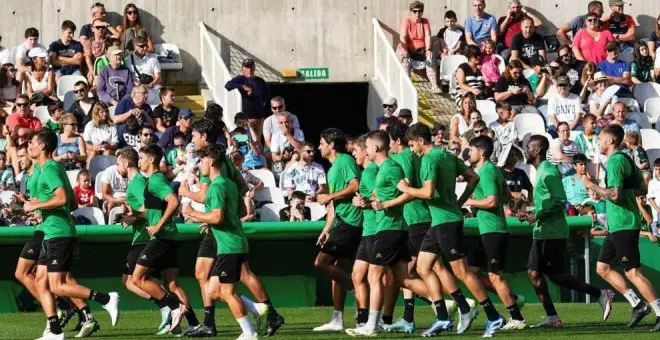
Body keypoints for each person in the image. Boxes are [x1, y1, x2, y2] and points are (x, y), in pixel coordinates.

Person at [399, 123, 505, 337]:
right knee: (423, 267)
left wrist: (405, 188)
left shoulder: (429, 159)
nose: (411, 149)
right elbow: (473, 177)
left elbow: (428, 192)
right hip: (439, 221)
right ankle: (444, 317)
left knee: (462, 272)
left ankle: (494, 317)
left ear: (420, 141)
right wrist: (461, 201)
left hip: (446, 222)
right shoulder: (446, 155)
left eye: (412, 145)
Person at [24, 130, 120, 339]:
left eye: (32, 142)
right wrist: (38, 210)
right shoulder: (49, 168)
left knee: (57, 285)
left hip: (59, 233)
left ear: (42, 146)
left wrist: (37, 205)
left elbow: (61, 199)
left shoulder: (49, 168)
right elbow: (73, 203)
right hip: (51, 232)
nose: (29, 146)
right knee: (41, 282)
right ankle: (55, 331)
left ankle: (105, 299)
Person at [517, 134, 613, 328]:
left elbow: (560, 199)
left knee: (542, 274)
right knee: (544, 274)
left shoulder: (547, 171)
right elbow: (549, 201)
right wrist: (531, 213)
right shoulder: (541, 171)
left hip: (552, 232)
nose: (525, 150)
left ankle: (600, 294)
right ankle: (554, 316)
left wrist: (538, 214)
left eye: (528, 147)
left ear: (538, 150)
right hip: (544, 231)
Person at [345, 130, 431, 337]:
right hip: (391, 227)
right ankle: (450, 303)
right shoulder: (384, 168)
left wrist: (386, 204)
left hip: (390, 229)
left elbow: (408, 192)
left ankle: (371, 325)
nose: (365, 151)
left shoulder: (390, 167)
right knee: (404, 279)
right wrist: (369, 201)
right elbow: (381, 195)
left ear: (375, 148)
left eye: (366, 147)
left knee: (374, 275)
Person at [580, 124, 660, 331]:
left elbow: (615, 194)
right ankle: (638, 304)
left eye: (600, 139)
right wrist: (603, 191)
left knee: (633, 272)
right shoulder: (623, 159)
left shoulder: (616, 161)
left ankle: (659, 311)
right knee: (603, 268)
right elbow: (641, 187)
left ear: (610, 141)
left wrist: (592, 186)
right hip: (618, 224)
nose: (598, 142)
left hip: (624, 224)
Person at [182, 144, 263, 340]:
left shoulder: (217, 186)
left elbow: (217, 216)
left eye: (201, 161)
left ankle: (249, 332)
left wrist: (194, 213)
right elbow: (237, 213)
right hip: (234, 242)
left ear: (210, 161)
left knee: (226, 293)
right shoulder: (228, 183)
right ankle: (255, 308)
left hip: (229, 246)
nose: (199, 165)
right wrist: (210, 222)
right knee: (212, 289)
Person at [464, 135, 526, 330]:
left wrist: (469, 201)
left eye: (472, 149)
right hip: (488, 230)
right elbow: (508, 196)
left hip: (494, 231)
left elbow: (492, 201)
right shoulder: (492, 170)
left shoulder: (487, 171)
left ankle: (517, 318)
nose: (469, 152)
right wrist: (517, 209)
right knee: (471, 272)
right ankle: (513, 298)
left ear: (481, 152)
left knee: (495, 276)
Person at [125, 144, 186, 333]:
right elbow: (151, 212)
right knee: (171, 283)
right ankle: (191, 323)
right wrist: (133, 214)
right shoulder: (153, 180)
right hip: (166, 236)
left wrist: (158, 226)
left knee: (135, 278)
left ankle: (174, 307)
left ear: (151, 160)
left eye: (142, 158)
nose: (139, 161)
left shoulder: (155, 181)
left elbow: (174, 202)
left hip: (162, 237)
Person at [384, 121, 436, 332]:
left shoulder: (404, 157)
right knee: (411, 270)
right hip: (413, 218)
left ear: (396, 141)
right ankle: (408, 318)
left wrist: (385, 201)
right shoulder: (411, 155)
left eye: (388, 140)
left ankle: (453, 305)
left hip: (416, 217)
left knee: (422, 269)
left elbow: (404, 187)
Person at [312, 128, 362, 333]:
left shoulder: (345, 161)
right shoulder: (333, 167)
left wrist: (329, 197)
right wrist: (326, 229)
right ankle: (338, 319)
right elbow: (333, 207)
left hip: (351, 223)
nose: (318, 147)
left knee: (321, 263)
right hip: (342, 222)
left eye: (322, 143)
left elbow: (355, 185)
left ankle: (356, 290)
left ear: (332, 145)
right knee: (338, 272)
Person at [349, 134, 378, 329]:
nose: (353, 155)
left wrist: (363, 202)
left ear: (365, 151)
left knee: (399, 279)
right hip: (369, 230)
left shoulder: (370, 172)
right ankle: (363, 319)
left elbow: (381, 195)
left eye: (355, 151)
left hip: (377, 230)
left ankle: (448, 303)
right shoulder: (367, 171)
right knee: (357, 275)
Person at [396, 1, 440, 94]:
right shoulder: (406, 21)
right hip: (408, 49)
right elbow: (402, 37)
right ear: (411, 11)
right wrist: (405, 50)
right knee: (405, 61)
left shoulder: (425, 21)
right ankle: (406, 87)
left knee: (430, 59)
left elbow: (428, 36)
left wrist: (428, 49)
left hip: (421, 50)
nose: (417, 13)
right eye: (415, 11)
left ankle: (434, 86)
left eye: (420, 11)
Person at [225, 58, 270, 139]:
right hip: (246, 118)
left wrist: (263, 102)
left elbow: (266, 93)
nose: (249, 70)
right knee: (244, 139)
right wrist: (243, 86)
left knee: (257, 140)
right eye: (247, 67)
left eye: (251, 67)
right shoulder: (240, 79)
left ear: (254, 68)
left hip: (260, 117)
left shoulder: (260, 80)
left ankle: (257, 151)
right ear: (242, 69)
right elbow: (228, 85)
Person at [124, 35, 161, 104]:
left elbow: (158, 77)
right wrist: (139, 86)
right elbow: (128, 78)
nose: (145, 48)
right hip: (136, 90)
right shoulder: (127, 60)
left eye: (146, 45)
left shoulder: (153, 58)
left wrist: (150, 85)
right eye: (141, 46)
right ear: (135, 47)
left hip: (152, 89)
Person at [83, 102, 118, 167]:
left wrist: (108, 146)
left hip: (107, 150)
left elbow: (115, 144)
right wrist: (94, 147)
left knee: (107, 153)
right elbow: (87, 145)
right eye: (102, 112)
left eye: (106, 111)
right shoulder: (89, 125)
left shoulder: (112, 126)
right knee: (93, 152)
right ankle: (88, 173)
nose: (105, 114)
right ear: (96, 113)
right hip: (95, 150)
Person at [270, 111, 304, 176]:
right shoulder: (275, 136)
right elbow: (274, 157)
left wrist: (288, 134)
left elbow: (301, 149)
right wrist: (283, 157)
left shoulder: (299, 132)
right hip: (281, 167)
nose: (284, 125)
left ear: (291, 122)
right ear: (278, 124)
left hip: (297, 165)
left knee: (296, 155)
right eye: (281, 123)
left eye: (286, 122)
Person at [83, 18, 113, 84]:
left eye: (102, 27)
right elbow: (87, 57)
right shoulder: (89, 42)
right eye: (98, 27)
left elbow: (118, 35)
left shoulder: (108, 40)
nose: (100, 29)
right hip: (93, 68)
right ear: (92, 29)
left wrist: (107, 25)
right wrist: (91, 70)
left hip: (106, 66)